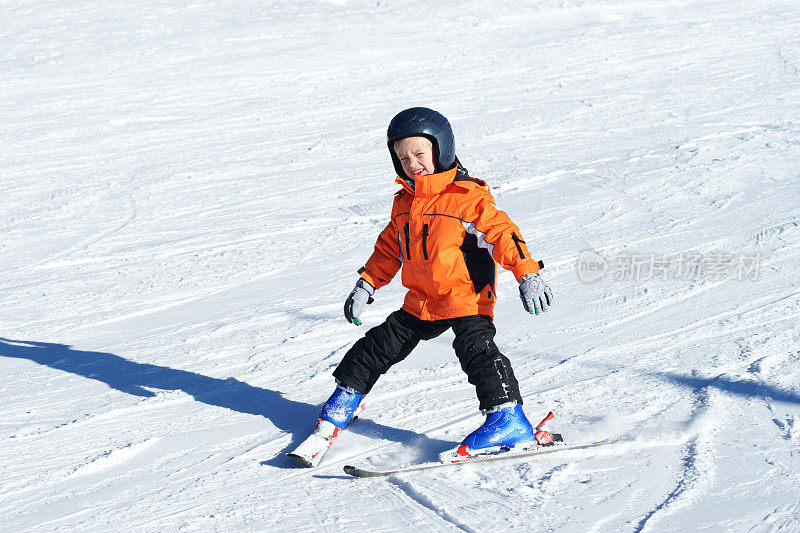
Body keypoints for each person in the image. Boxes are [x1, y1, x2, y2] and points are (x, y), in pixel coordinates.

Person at [293, 107, 554, 465]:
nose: (412, 163)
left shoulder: (466, 198)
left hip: (466, 296)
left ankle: (508, 419)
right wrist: (367, 283)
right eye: (403, 157)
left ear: (441, 150)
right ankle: (344, 400)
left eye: (419, 153)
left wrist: (527, 273)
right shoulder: (404, 204)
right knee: (375, 347)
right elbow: (389, 247)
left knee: (476, 350)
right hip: (421, 301)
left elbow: (503, 234)